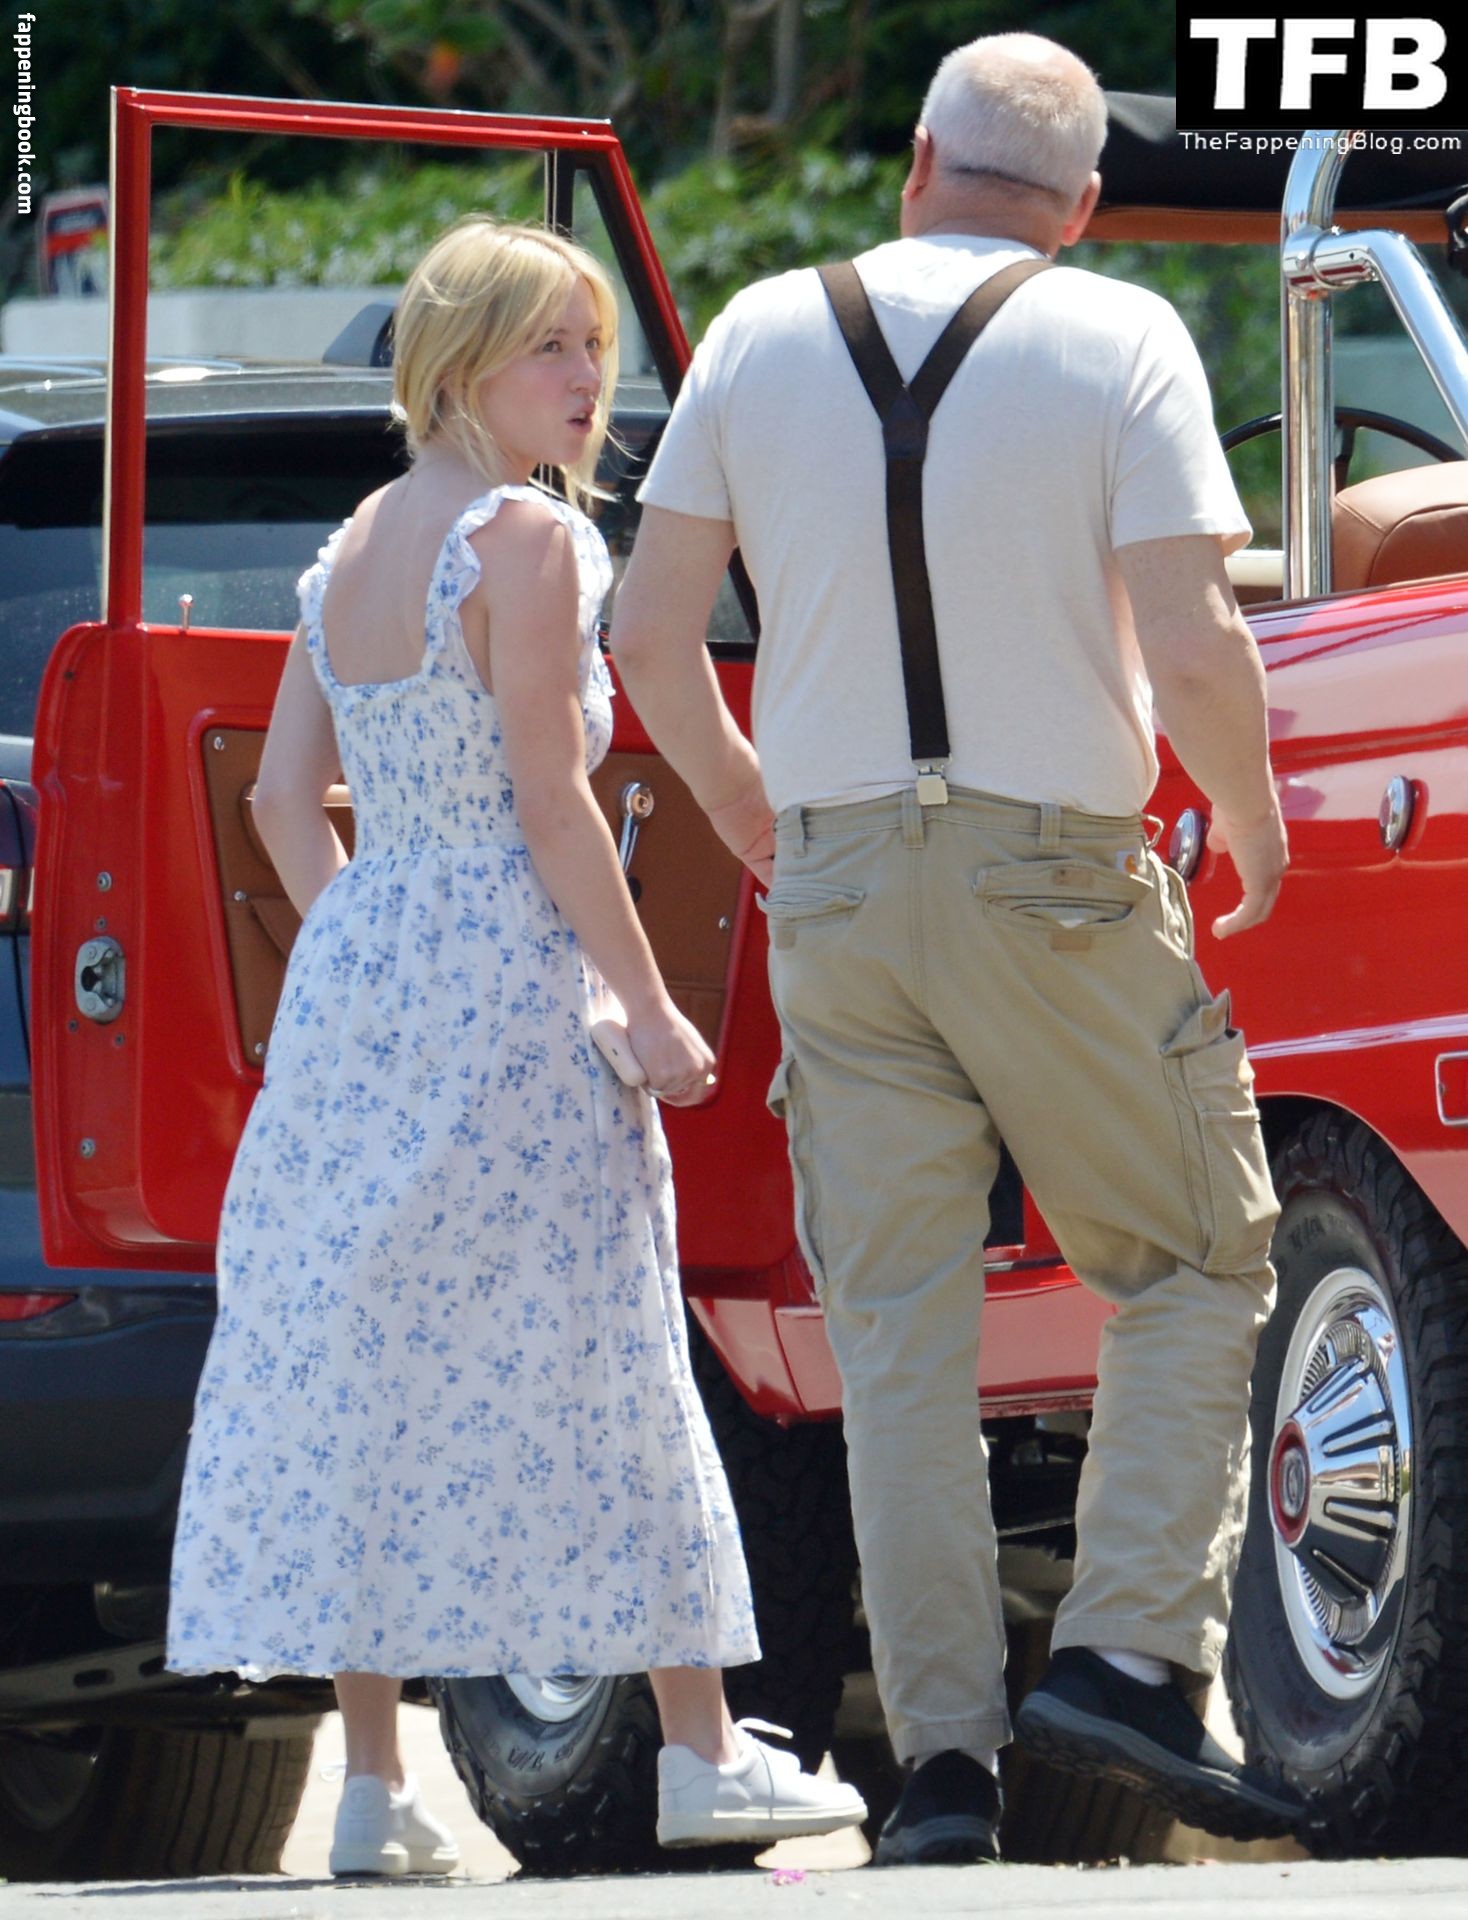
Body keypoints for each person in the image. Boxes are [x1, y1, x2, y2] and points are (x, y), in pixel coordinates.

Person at [611, 31, 1304, 1867]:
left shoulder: (761, 329)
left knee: (897, 1338)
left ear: (916, 162)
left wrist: (754, 818)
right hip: (1056, 874)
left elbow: (648, 630)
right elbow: (1193, 636)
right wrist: (1252, 821)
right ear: (1084, 204)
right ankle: (1131, 1655)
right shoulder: (1120, 335)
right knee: (1193, 1256)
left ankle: (939, 1774)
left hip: (837, 887)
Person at [164, 215, 865, 1878]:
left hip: (364, 985)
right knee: (605, 1342)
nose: (587, 376)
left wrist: (372, 936)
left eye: (593, 344)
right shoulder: (530, 541)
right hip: (510, 971)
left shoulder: (349, 550)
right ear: (462, 361)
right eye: (550, 344)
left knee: (372, 1360)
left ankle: (373, 1789)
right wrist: (648, 998)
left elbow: (281, 806)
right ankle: (700, 1752)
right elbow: (554, 805)